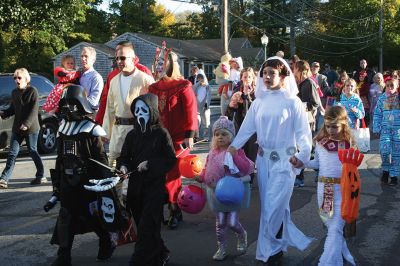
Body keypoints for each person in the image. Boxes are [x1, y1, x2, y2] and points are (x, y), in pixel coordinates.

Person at [229, 57, 313, 264]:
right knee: (271, 206)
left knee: (275, 205)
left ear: (283, 76)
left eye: (272, 73)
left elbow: (304, 133)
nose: (267, 77)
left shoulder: (293, 102)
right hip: (264, 161)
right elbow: (247, 128)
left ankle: (270, 250)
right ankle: (276, 248)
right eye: (264, 73)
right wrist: (232, 147)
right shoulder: (259, 102)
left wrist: (302, 156)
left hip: (286, 162)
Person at [48, 85, 114, 265]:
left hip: (88, 181)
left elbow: (101, 160)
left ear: (81, 104)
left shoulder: (92, 129)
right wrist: (57, 185)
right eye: (66, 104)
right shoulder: (63, 128)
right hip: (69, 180)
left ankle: (106, 241)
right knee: (66, 216)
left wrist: (106, 184)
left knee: (92, 215)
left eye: (72, 103)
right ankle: (64, 256)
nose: (68, 108)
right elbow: (60, 159)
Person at [117, 93, 177, 266]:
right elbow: (124, 158)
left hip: (154, 188)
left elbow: (170, 159)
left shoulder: (161, 133)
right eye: (137, 111)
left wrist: (150, 164)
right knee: (146, 227)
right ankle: (162, 252)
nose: (140, 114)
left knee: (146, 227)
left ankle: (138, 261)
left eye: (143, 110)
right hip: (136, 189)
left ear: (152, 111)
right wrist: (123, 167)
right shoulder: (131, 135)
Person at [148, 47, 198, 229]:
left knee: (173, 175)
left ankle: (175, 209)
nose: (159, 65)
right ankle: (163, 206)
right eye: (157, 62)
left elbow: (191, 110)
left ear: (170, 64)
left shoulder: (183, 85)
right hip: (157, 138)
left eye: (163, 62)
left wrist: (189, 134)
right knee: (158, 174)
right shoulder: (153, 88)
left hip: (178, 139)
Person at [304, 105, 356, 266]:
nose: (331, 130)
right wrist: (300, 162)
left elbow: (353, 171)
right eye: (328, 126)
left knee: (336, 228)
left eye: (335, 126)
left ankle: (327, 262)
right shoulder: (321, 143)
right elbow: (316, 164)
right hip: (324, 190)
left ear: (343, 124)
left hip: (343, 190)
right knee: (331, 226)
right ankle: (344, 256)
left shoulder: (349, 143)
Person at [196, 116, 254, 261]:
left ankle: (242, 235)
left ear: (231, 136)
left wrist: (235, 156)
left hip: (232, 193)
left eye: (224, 134)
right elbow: (207, 169)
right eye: (217, 134)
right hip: (216, 193)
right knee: (221, 223)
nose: (220, 137)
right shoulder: (212, 153)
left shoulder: (236, 151)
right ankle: (221, 248)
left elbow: (246, 168)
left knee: (232, 222)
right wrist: (201, 177)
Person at [102, 44, 155, 168]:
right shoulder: (113, 80)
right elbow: (109, 108)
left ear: (132, 59)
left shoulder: (145, 79)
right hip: (117, 132)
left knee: (135, 169)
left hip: (137, 130)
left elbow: (154, 108)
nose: (119, 61)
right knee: (115, 169)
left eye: (123, 58)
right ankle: (116, 188)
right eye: (117, 58)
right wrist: (106, 131)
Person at [0, 68, 45, 189]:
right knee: (12, 153)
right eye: (15, 78)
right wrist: (3, 113)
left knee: (33, 151)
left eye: (19, 77)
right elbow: (12, 109)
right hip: (17, 129)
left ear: (26, 78)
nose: (16, 80)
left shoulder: (32, 91)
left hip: (31, 128)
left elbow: (34, 110)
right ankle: (4, 179)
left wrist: (26, 123)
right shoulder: (14, 92)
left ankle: (41, 175)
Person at [96, 41, 152, 125]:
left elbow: (152, 103)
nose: (118, 59)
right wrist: (100, 123)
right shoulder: (113, 77)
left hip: (138, 128)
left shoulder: (144, 73)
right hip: (117, 129)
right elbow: (106, 102)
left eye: (122, 57)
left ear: (132, 57)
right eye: (117, 56)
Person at [225, 67, 258, 185]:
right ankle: (241, 177)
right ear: (241, 78)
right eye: (245, 77)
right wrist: (232, 104)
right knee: (240, 154)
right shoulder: (237, 92)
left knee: (251, 154)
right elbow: (229, 113)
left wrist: (248, 96)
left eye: (250, 77)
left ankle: (250, 179)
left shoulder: (257, 93)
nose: (247, 79)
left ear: (254, 79)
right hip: (239, 127)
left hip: (254, 130)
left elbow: (254, 110)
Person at [293, 60, 321, 187]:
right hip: (300, 119)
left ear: (300, 70)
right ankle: (317, 170)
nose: (293, 71)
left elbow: (315, 103)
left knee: (304, 148)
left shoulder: (309, 83)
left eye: (295, 69)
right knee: (303, 147)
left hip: (307, 120)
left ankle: (301, 177)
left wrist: (302, 106)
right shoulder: (300, 83)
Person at [373, 78, 400, 186]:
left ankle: (393, 175)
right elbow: (377, 114)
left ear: (396, 86)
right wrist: (376, 127)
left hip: (398, 131)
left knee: (396, 154)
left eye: (392, 86)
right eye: (387, 85)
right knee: (384, 151)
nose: (389, 88)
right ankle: (385, 169)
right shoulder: (382, 98)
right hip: (385, 130)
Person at [79, 46, 104, 112]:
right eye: (82, 56)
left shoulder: (96, 77)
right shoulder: (76, 74)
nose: (83, 58)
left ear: (93, 59)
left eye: (86, 56)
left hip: (87, 117)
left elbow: (93, 102)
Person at [193, 73, 211, 141]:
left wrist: (207, 105)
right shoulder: (196, 86)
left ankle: (205, 137)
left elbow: (209, 97)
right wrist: (198, 83)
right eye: (199, 79)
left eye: (201, 78)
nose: (200, 80)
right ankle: (197, 137)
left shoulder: (207, 87)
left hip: (205, 107)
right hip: (197, 108)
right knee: (198, 121)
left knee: (206, 123)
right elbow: (193, 89)